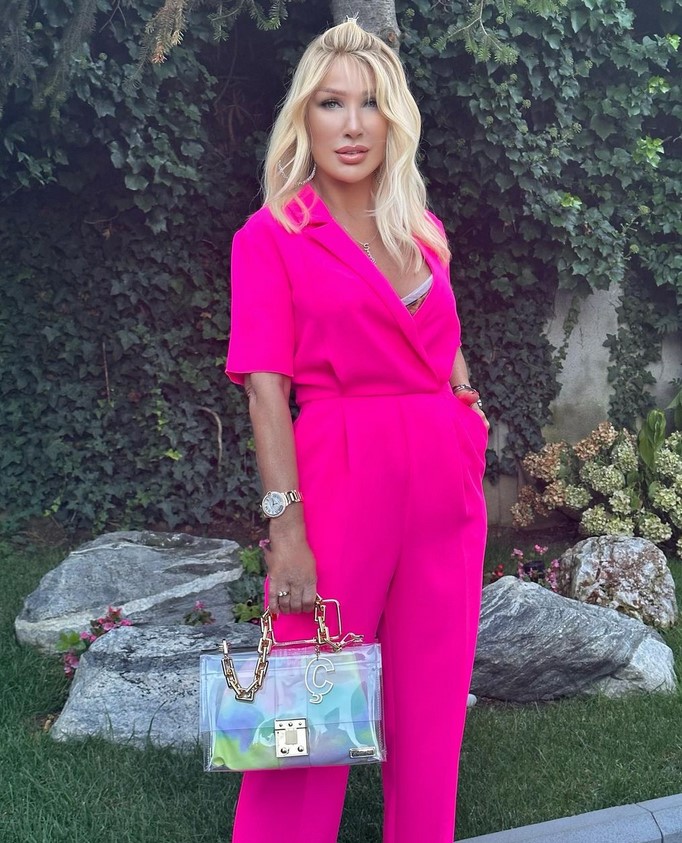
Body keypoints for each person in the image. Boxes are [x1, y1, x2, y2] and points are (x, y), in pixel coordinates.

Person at [225, 18, 488, 843]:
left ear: (393, 118)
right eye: (331, 103)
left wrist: (465, 403)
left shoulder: (422, 226)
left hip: (442, 488)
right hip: (339, 480)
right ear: (303, 116)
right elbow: (266, 389)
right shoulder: (271, 235)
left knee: (432, 719)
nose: (351, 124)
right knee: (303, 722)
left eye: (370, 103)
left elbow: (441, 337)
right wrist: (286, 530)